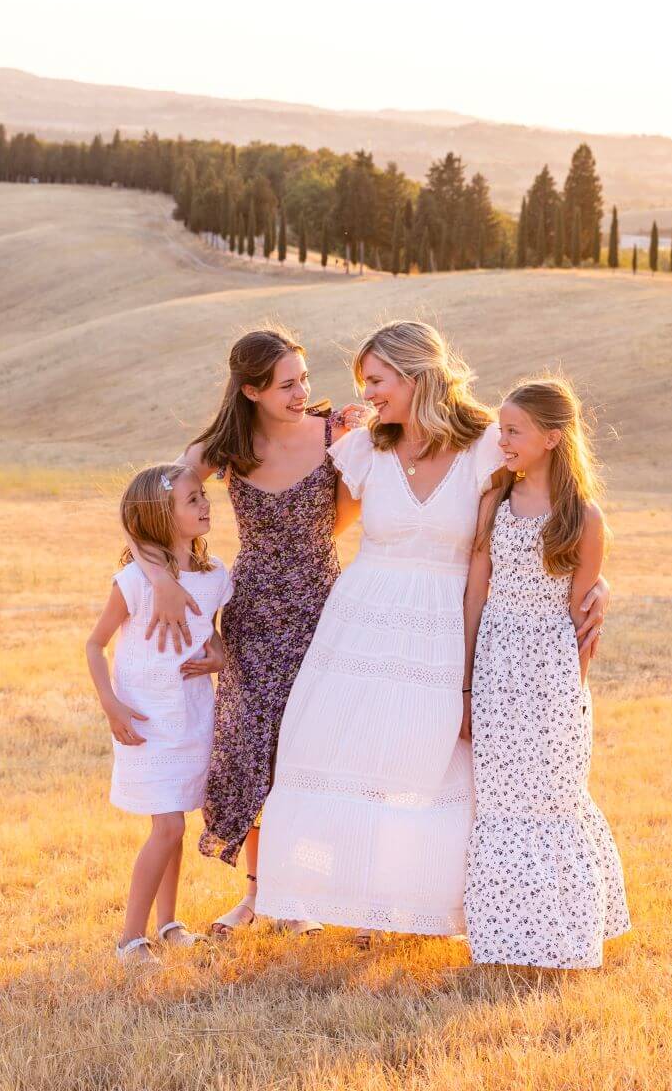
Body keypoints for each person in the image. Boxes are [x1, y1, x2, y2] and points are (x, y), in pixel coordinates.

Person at [255, 321, 608, 946]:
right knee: (350, 755)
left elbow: (544, 515)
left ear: (416, 376)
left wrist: (594, 585)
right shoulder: (365, 449)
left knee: (433, 768)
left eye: (377, 380)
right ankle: (347, 902)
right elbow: (313, 536)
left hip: (447, 625)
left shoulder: (486, 449)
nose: (368, 394)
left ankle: (417, 908)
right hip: (360, 627)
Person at [132, 328, 367, 935]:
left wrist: (360, 440)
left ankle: (304, 896)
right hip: (254, 615)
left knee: (310, 754)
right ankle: (261, 896)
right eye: (288, 385)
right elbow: (143, 509)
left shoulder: (337, 433)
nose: (303, 393)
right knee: (253, 753)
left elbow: (343, 520)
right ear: (251, 390)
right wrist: (159, 576)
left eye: (304, 380)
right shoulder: (224, 449)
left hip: (321, 611)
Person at [461, 378, 629, 968]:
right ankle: (505, 938)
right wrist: (465, 681)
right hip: (496, 667)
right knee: (502, 798)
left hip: (552, 672)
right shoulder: (493, 503)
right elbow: (475, 597)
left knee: (554, 794)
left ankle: (567, 935)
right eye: (501, 429)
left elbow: (584, 620)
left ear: (552, 439)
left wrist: (570, 693)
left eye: (513, 431)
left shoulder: (582, 518)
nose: (500, 440)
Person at [84, 464, 232, 965]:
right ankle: (131, 939)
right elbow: (95, 644)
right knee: (166, 826)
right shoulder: (133, 581)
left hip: (191, 716)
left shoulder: (215, 577)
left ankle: (169, 923)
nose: (206, 505)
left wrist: (219, 654)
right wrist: (110, 704)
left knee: (178, 824)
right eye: (192, 500)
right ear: (160, 517)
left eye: (204, 496)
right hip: (145, 721)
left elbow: (206, 635)